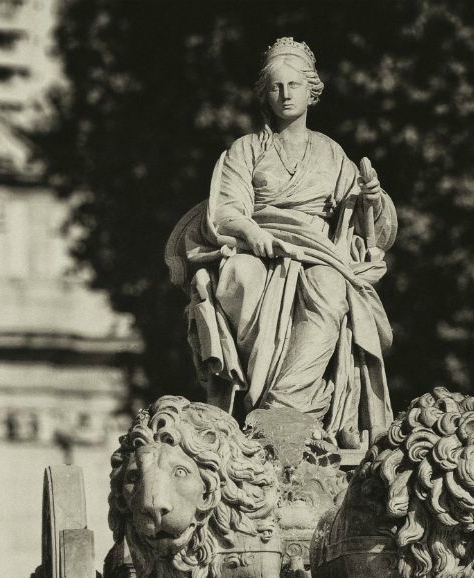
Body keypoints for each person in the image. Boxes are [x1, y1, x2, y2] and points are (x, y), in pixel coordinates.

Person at [168, 37, 398, 446]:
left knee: (330, 285)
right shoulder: (246, 150)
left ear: (312, 91)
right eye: (276, 86)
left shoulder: (331, 153)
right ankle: (259, 398)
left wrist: (372, 197)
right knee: (239, 278)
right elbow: (224, 210)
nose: (285, 94)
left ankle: (286, 407)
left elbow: (368, 227)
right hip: (255, 245)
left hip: (318, 251)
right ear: (265, 94)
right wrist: (256, 236)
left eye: (294, 85)